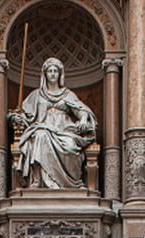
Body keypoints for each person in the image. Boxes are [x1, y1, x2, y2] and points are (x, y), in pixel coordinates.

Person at [10, 57, 96, 190]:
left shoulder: (67, 94)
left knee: (70, 146)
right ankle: (38, 180)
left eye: (55, 71)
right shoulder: (37, 95)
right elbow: (22, 114)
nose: (52, 74)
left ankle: (72, 183)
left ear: (60, 74)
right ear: (45, 74)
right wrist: (16, 118)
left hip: (65, 131)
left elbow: (81, 111)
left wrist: (84, 119)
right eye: (50, 71)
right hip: (42, 128)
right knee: (40, 136)